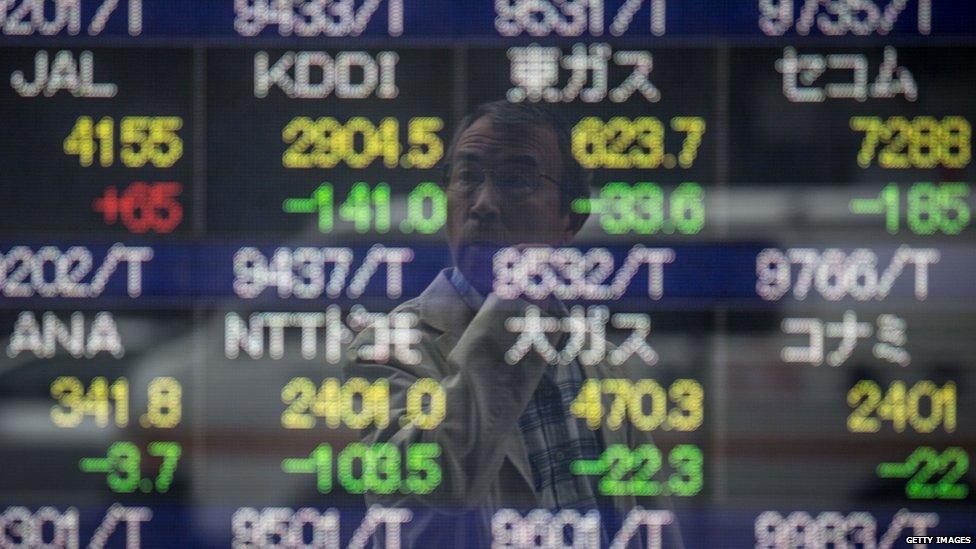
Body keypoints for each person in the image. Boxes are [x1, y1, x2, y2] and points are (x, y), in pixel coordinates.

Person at [344, 101, 682, 548]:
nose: (483, 204)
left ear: (570, 220)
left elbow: (648, 520)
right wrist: (514, 302)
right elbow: (439, 483)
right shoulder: (387, 347)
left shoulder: (593, 352)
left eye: (515, 180)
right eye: (467, 177)